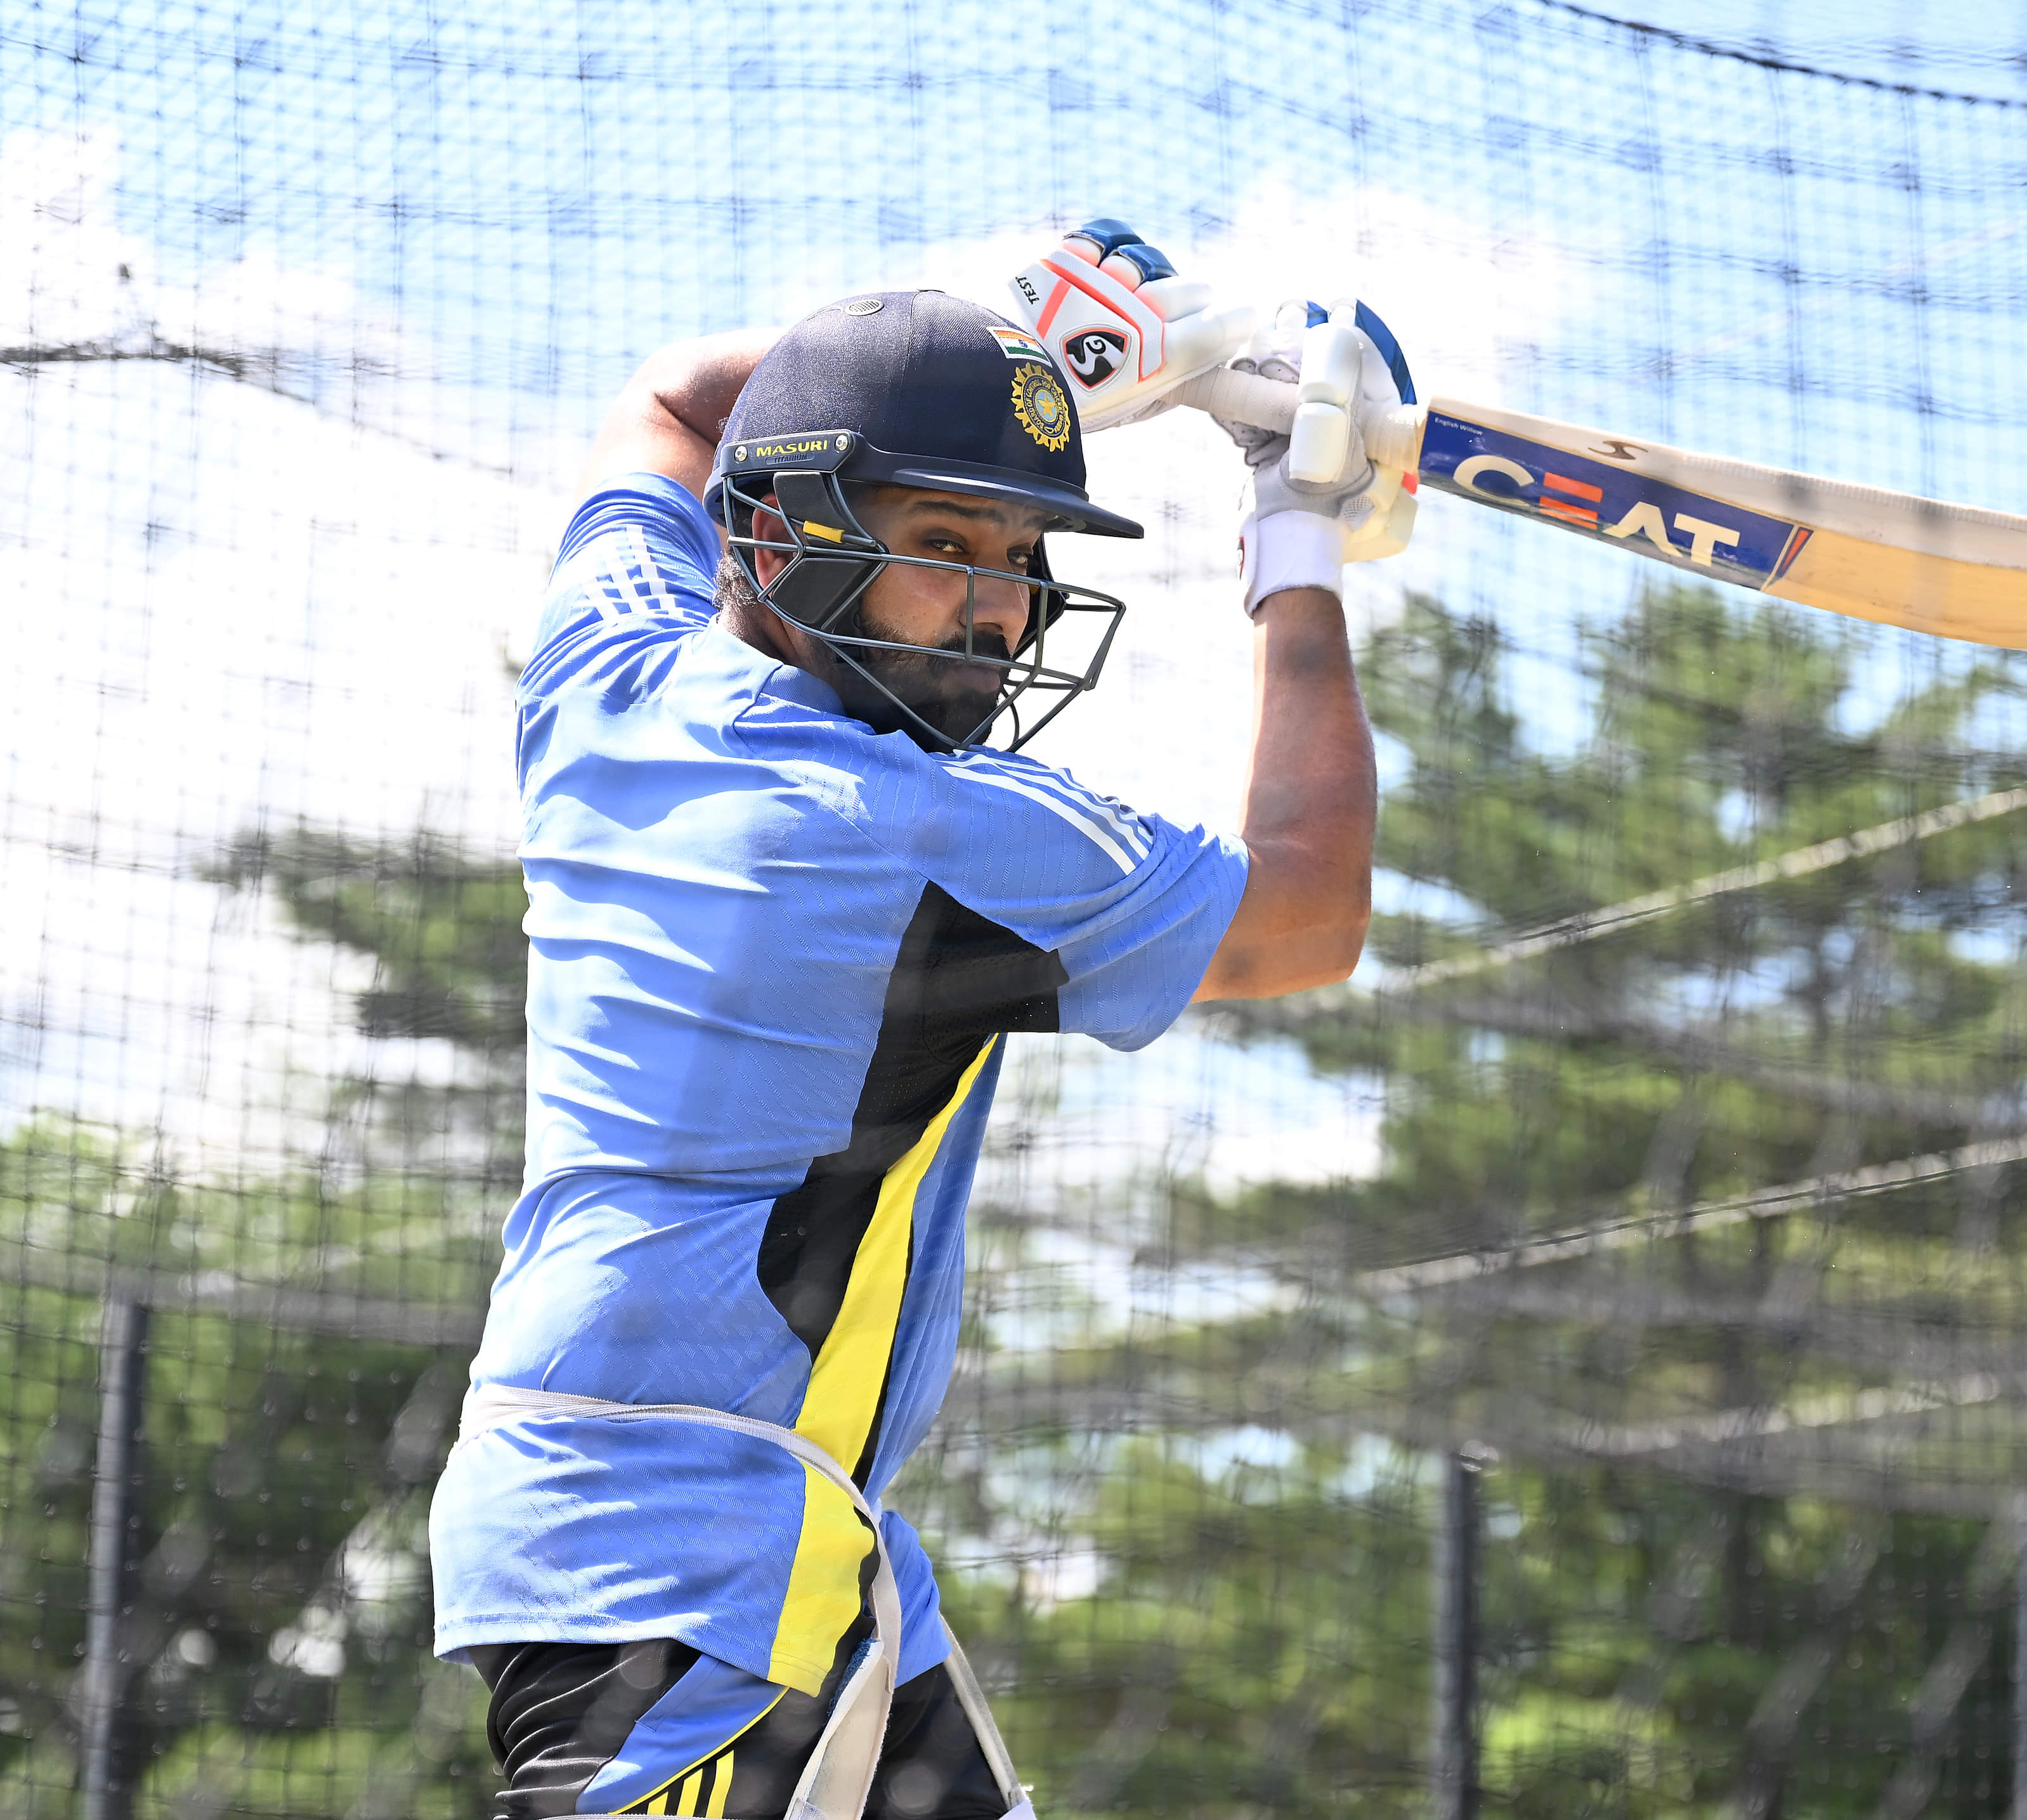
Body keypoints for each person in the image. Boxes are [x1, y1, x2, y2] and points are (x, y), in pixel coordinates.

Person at [428, 221, 1394, 1820]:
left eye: (1020, 555)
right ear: (793, 528)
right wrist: (1296, 538)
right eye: (947, 538)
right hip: (690, 1552)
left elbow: (675, 408)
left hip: (752, 1530)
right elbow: (1309, 909)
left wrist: (1009, 349)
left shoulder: (608, 674)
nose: (1001, 607)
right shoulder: (918, 827)